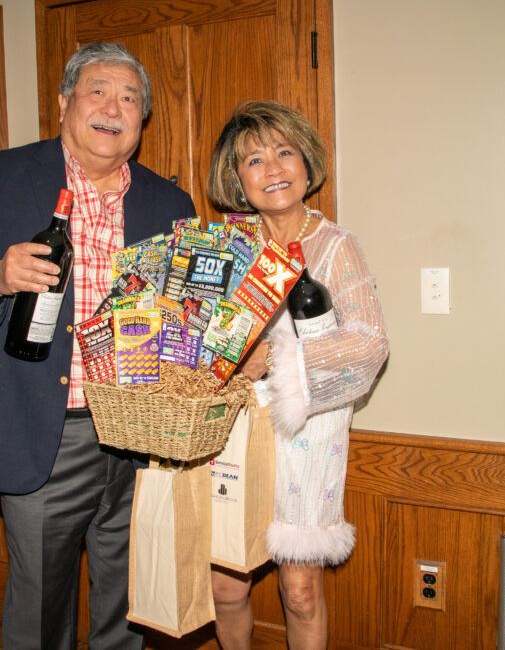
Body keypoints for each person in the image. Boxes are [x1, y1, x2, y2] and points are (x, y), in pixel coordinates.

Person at [0, 42, 195, 649]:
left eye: (129, 98)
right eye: (98, 90)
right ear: (65, 101)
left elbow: (185, 319)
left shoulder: (170, 204)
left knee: (129, 605)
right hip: (43, 429)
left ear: (143, 119)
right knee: (41, 611)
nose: (113, 108)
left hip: (139, 436)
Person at [205, 101, 389, 649]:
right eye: (254, 160)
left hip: (308, 430)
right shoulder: (224, 247)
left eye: (284, 152)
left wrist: (275, 357)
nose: (273, 169)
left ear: (306, 162)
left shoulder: (336, 245)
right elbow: (195, 332)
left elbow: (370, 344)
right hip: (232, 427)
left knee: (301, 589)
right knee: (226, 587)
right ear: (238, 180)